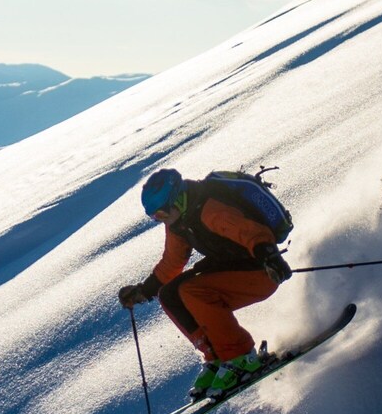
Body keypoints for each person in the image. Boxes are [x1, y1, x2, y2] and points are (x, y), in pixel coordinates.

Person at [117, 168, 292, 399]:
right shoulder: (178, 222)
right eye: (154, 217)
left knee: (193, 291)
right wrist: (144, 290)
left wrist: (270, 257)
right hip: (231, 268)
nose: (160, 219)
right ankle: (217, 356)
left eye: (161, 213)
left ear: (176, 199)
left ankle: (241, 357)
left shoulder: (209, 209)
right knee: (170, 295)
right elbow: (172, 262)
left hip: (261, 272)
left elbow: (251, 233)